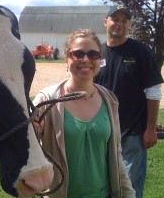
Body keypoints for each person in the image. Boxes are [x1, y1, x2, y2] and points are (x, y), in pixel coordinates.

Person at [33, 29, 135, 198]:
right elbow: (26, 148)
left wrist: (127, 193)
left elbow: (116, 153)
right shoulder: (47, 100)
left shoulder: (110, 100)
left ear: (100, 60)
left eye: (93, 54)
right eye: (78, 54)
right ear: (66, 59)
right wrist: (34, 129)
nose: (85, 60)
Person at [94, 5, 164, 198]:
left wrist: (150, 129)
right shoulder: (95, 53)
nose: (119, 24)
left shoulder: (141, 51)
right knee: (102, 184)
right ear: (105, 22)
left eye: (124, 20)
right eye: (115, 19)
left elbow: (153, 92)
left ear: (129, 25)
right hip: (102, 132)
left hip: (132, 133)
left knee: (127, 188)